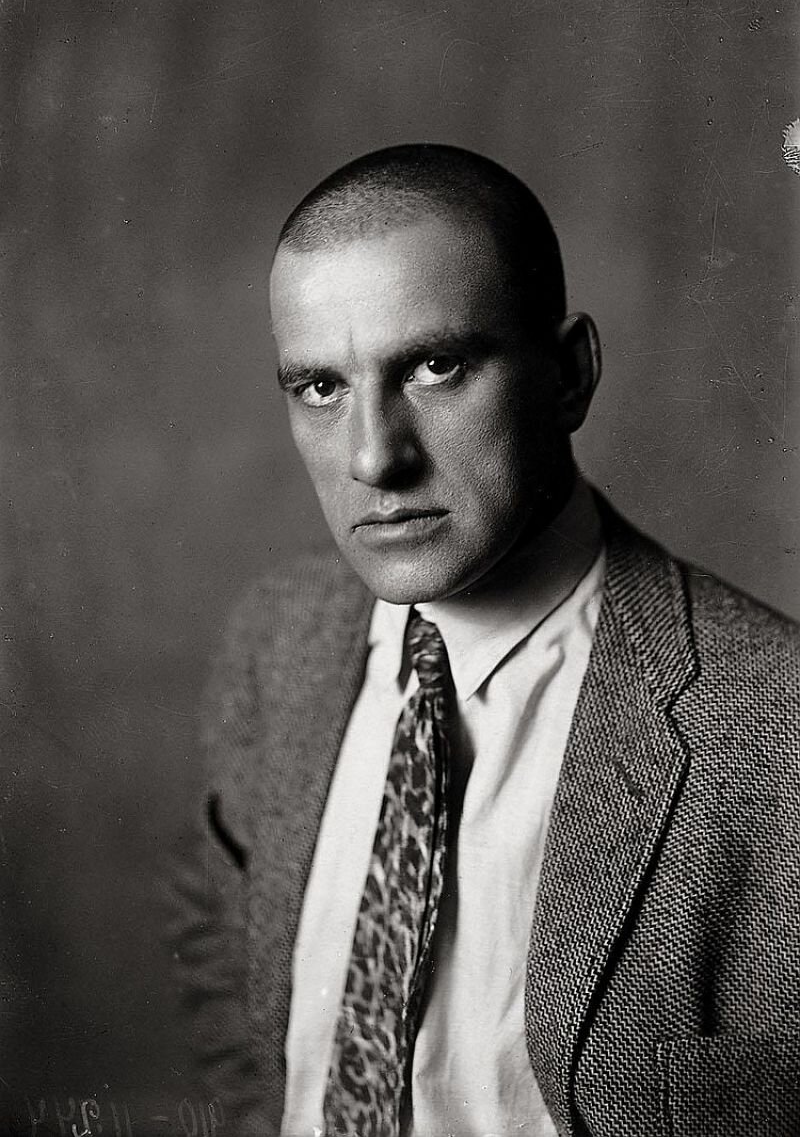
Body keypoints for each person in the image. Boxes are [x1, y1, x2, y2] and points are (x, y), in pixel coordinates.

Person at [171, 144, 800, 1137]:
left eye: (436, 366)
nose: (374, 456)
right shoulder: (276, 637)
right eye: (320, 386)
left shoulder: (776, 730)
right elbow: (231, 964)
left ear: (569, 375)